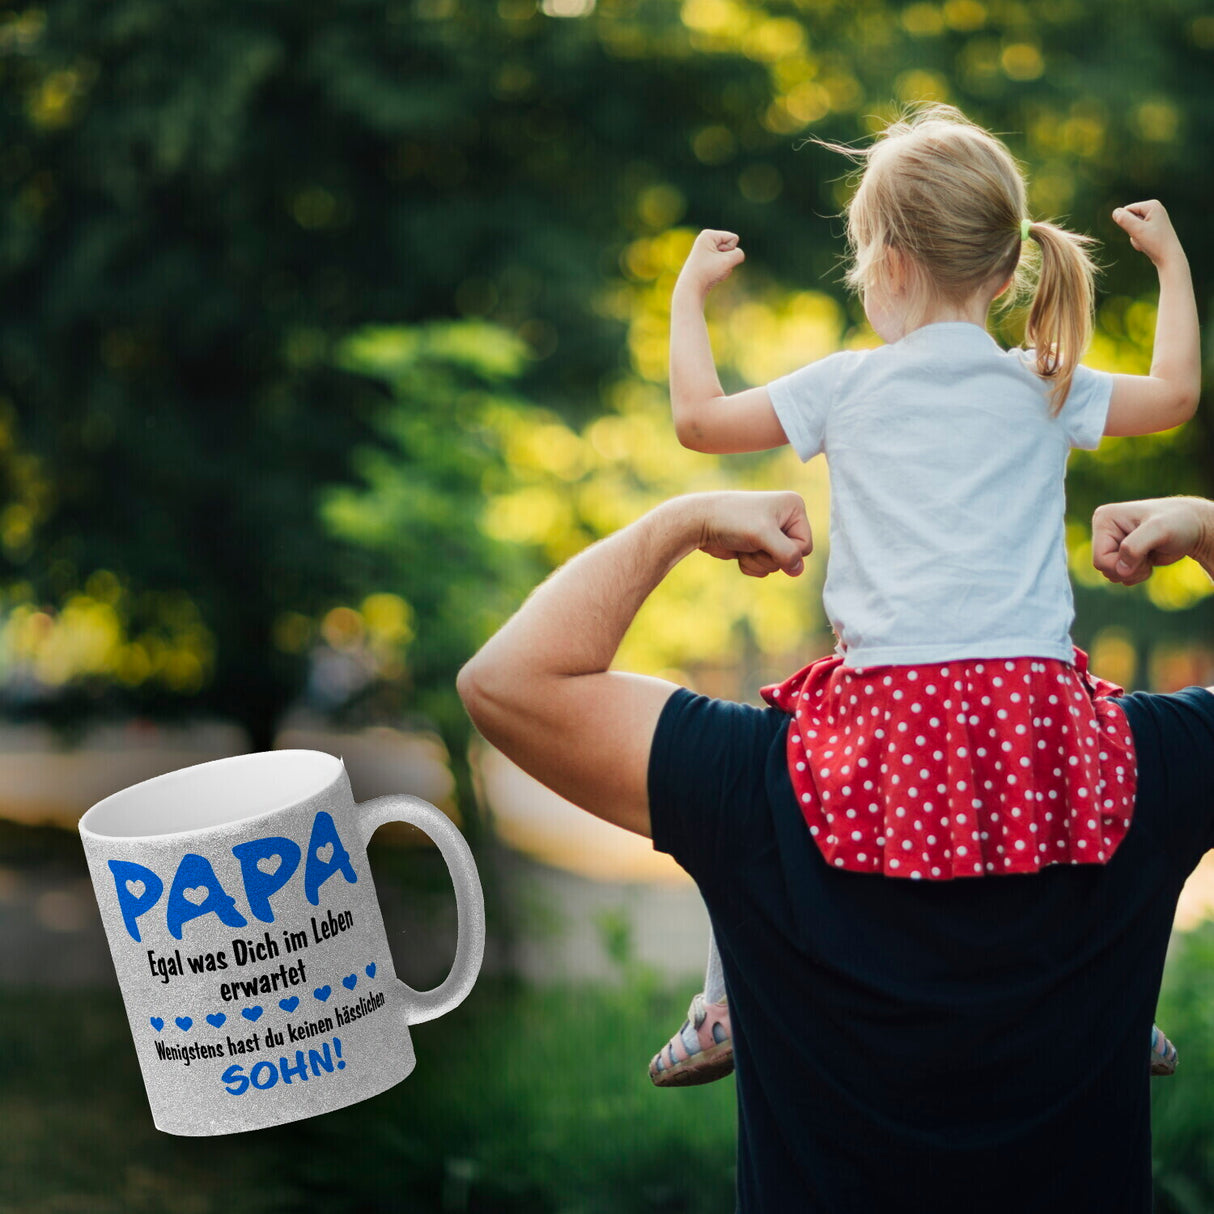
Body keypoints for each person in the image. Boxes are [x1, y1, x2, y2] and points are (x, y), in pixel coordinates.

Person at [458, 490, 1214, 1214]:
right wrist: (1208, 529)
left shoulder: (761, 775)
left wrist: (679, 524)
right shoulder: (1137, 765)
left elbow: (506, 682)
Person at [652, 103, 1199, 1085]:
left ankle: (724, 1003)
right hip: (1029, 695)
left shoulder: (843, 385)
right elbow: (1173, 394)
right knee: (1106, 794)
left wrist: (686, 292)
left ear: (884, 262)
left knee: (749, 788)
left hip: (888, 701)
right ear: (1003, 270)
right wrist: (1169, 266)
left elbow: (696, 420)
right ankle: (1120, 1005)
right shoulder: (1045, 379)